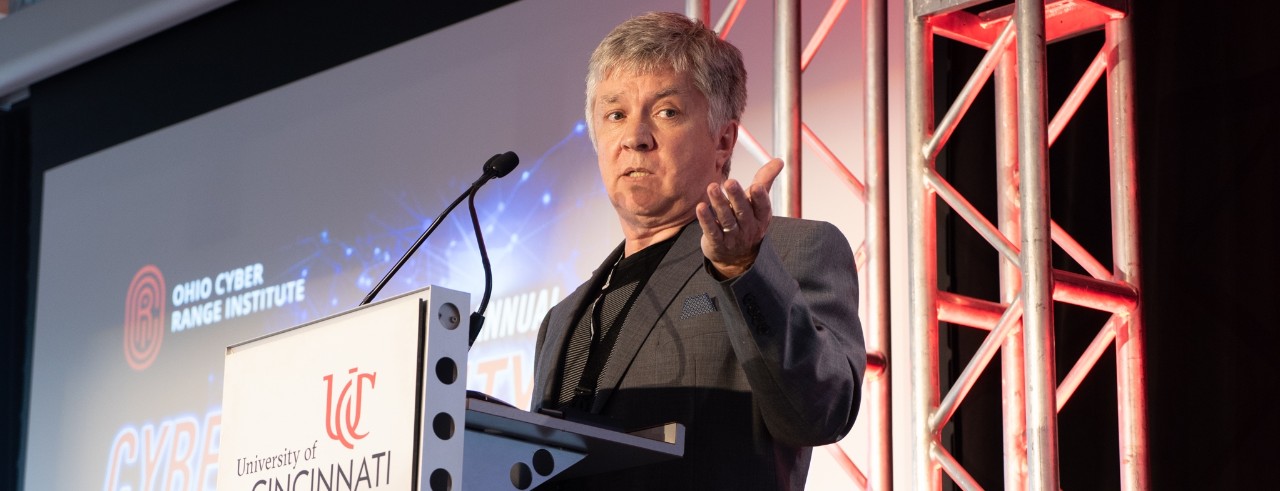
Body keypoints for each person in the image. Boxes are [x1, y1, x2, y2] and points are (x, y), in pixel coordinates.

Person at [530, 11, 866, 490]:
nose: (634, 137)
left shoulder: (788, 251)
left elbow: (822, 412)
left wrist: (741, 268)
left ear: (723, 140)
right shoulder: (562, 319)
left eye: (666, 112)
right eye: (615, 114)